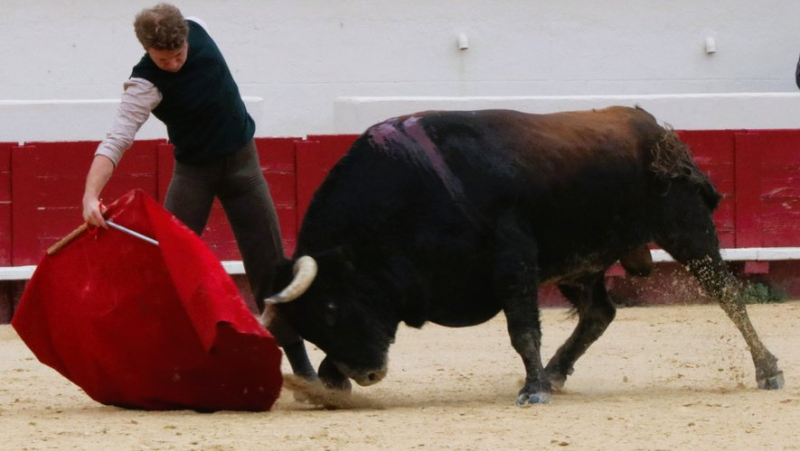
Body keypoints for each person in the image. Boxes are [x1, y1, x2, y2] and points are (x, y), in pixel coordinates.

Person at [81, 3, 317, 380]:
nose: (173, 64)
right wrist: (90, 195)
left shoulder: (197, 27)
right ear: (146, 50)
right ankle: (162, 361)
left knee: (270, 267)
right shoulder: (143, 84)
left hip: (245, 168)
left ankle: (303, 369)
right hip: (195, 174)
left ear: (186, 38)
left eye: (178, 54)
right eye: (163, 59)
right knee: (168, 264)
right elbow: (117, 139)